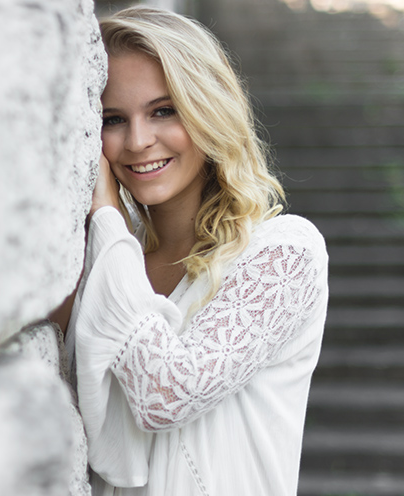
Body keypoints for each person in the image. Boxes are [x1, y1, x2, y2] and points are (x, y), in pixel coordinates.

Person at [55, 6, 329, 495]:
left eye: (164, 111)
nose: (138, 141)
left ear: (207, 108)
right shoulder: (106, 257)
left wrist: (106, 216)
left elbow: (165, 394)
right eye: (113, 119)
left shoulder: (285, 252)